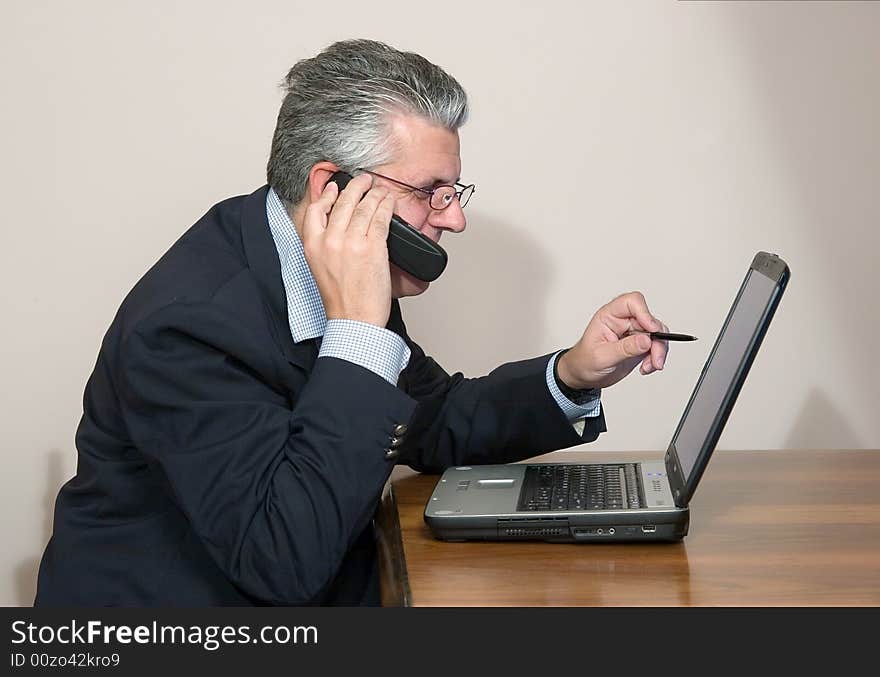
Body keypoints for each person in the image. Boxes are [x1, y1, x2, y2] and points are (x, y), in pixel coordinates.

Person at [34, 39, 670, 606]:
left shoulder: (341, 270)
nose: (454, 220)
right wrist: (359, 334)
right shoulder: (186, 329)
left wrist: (572, 373)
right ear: (332, 190)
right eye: (432, 192)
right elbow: (281, 562)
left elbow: (431, 420)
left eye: (456, 192)